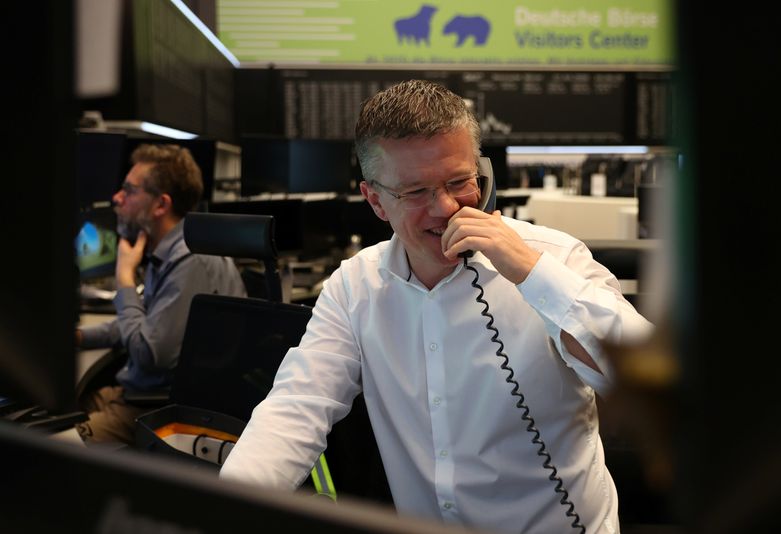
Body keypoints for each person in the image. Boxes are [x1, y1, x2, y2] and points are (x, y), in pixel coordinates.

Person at [219, 80, 653, 533]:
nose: (444, 207)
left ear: (482, 174)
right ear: (376, 200)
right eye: (415, 192)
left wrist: (531, 273)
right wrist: (220, 512)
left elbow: (650, 385)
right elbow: (297, 408)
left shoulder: (555, 259)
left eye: (458, 181)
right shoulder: (355, 286)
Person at [76, 143, 246, 445]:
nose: (116, 198)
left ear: (160, 205)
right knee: (53, 406)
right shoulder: (169, 251)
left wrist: (125, 279)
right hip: (136, 396)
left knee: (52, 446)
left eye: (128, 190)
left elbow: (149, 352)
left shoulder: (189, 260)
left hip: (156, 410)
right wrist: (82, 337)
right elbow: (149, 321)